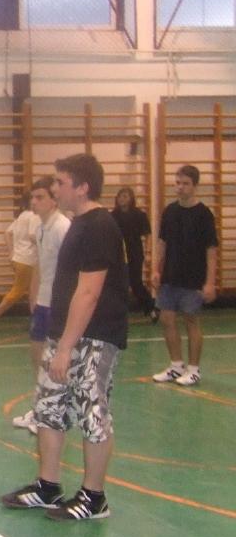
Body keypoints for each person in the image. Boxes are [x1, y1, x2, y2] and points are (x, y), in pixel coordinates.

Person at [1, 154, 129, 521]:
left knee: (93, 413)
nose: (55, 188)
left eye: (61, 182)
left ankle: (94, 498)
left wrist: (66, 347)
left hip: (95, 337)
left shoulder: (100, 226)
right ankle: (48, 486)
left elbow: (88, 293)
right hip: (65, 335)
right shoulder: (78, 224)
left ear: (83, 187)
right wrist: (58, 340)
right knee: (49, 408)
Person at [12, 177, 71, 434]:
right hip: (43, 303)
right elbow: (38, 266)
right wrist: (34, 298)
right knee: (37, 355)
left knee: (53, 362)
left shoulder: (63, 227)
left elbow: (72, 270)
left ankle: (51, 414)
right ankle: (39, 408)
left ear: (53, 199)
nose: (34, 202)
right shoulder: (40, 228)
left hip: (59, 304)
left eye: (40, 197)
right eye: (32, 198)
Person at [151, 164, 218, 387]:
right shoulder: (170, 211)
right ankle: (176, 365)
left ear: (195, 185)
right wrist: (156, 269)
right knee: (166, 319)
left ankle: (194, 369)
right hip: (170, 276)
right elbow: (162, 243)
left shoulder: (204, 214)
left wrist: (209, 282)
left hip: (194, 278)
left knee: (191, 320)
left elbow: (211, 250)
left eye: (185, 184)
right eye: (178, 183)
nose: (180, 187)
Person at [0, 194, 40, 331]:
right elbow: (32, 236)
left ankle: (35, 319)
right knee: (19, 291)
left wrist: (11, 251)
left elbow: (7, 233)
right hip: (28, 259)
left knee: (33, 291)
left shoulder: (22, 216)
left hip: (19, 258)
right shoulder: (34, 216)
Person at [110, 186, 156, 319]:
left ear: (131, 199)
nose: (122, 199)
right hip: (119, 254)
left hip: (135, 253)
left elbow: (148, 234)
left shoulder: (139, 215)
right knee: (118, 284)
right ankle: (118, 312)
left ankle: (151, 308)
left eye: (125, 196)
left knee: (136, 283)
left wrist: (148, 252)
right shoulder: (113, 216)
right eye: (120, 196)